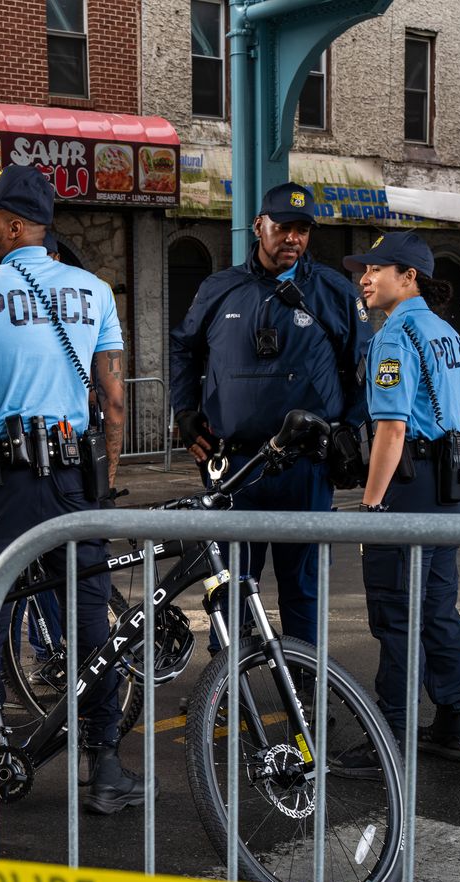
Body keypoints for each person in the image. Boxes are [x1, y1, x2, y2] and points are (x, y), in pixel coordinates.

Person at [0, 165, 137, 815]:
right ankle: (104, 765)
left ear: (15, 226)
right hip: (75, 482)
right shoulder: (95, 291)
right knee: (90, 624)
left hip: (5, 486)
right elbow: (115, 402)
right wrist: (104, 476)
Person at [167, 181, 369, 648]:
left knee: (304, 587)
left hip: (306, 468)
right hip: (236, 467)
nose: (292, 238)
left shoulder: (334, 292)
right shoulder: (220, 288)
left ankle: (307, 695)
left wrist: (351, 427)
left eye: (302, 230)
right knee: (232, 585)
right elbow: (183, 346)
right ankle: (226, 693)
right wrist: (185, 411)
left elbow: (365, 365)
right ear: (260, 226)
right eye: (283, 227)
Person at [332, 232, 460, 773]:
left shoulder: (392, 338)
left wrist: (371, 510)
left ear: (409, 277)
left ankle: (388, 737)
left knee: (397, 615)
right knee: (438, 607)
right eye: (362, 271)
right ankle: (453, 723)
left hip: (412, 485)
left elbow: (391, 431)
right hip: (454, 483)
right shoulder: (446, 334)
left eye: (376, 269)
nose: (364, 279)